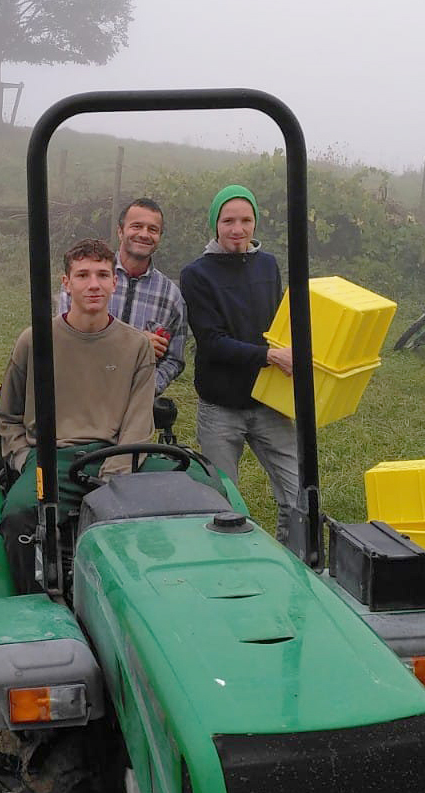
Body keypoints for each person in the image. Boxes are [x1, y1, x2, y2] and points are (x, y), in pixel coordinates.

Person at [0, 238, 155, 592]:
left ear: (115, 281)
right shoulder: (34, 341)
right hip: (52, 458)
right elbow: (7, 415)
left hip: (118, 455)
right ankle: (32, 603)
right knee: (19, 516)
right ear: (66, 283)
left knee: (198, 492)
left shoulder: (136, 346)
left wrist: (113, 479)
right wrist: (24, 458)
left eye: (102, 274)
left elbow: (139, 422)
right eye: (82, 275)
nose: (93, 284)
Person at [179, 185, 299, 541]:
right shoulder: (196, 274)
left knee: (299, 497)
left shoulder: (268, 265)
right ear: (215, 224)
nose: (238, 228)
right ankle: (228, 573)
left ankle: (295, 567)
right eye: (228, 220)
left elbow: (279, 322)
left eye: (246, 220)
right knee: (223, 506)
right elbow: (212, 342)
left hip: (269, 401)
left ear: (256, 223)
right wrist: (268, 356)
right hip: (221, 407)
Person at [57, 198, 186, 395]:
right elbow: (66, 343)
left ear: (160, 236)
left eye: (152, 229)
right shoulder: (87, 281)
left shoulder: (170, 296)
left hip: (136, 410)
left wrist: (147, 390)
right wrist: (136, 345)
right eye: (136, 226)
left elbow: (174, 359)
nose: (144, 234)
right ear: (120, 231)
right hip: (81, 397)